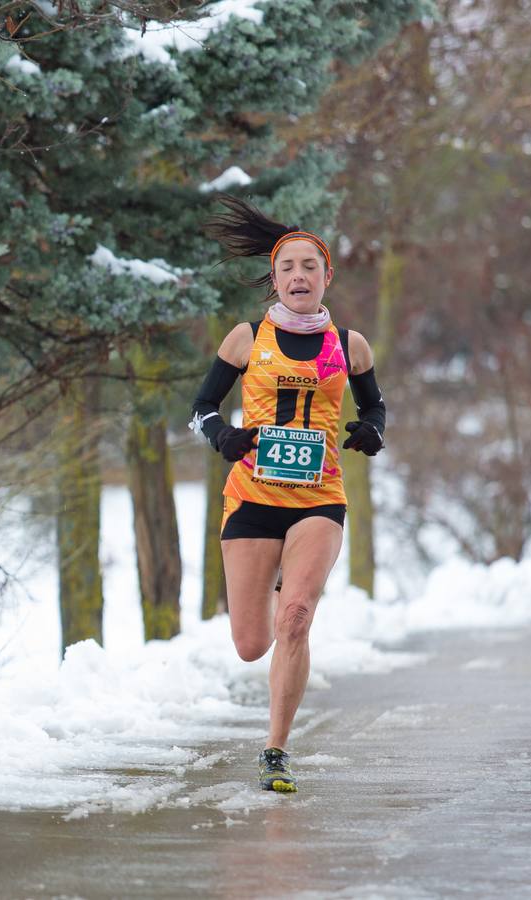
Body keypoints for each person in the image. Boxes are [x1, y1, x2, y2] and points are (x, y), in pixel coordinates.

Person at [189, 195, 387, 793]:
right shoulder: (247, 338)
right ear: (273, 280)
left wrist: (372, 429)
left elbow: (374, 403)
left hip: (319, 500)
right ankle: (275, 582)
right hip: (251, 498)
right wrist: (222, 433)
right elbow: (200, 409)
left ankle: (275, 751)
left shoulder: (350, 345)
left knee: (296, 619)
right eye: (287, 268)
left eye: (310, 267)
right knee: (252, 644)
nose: (299, 277)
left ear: (328, 276)